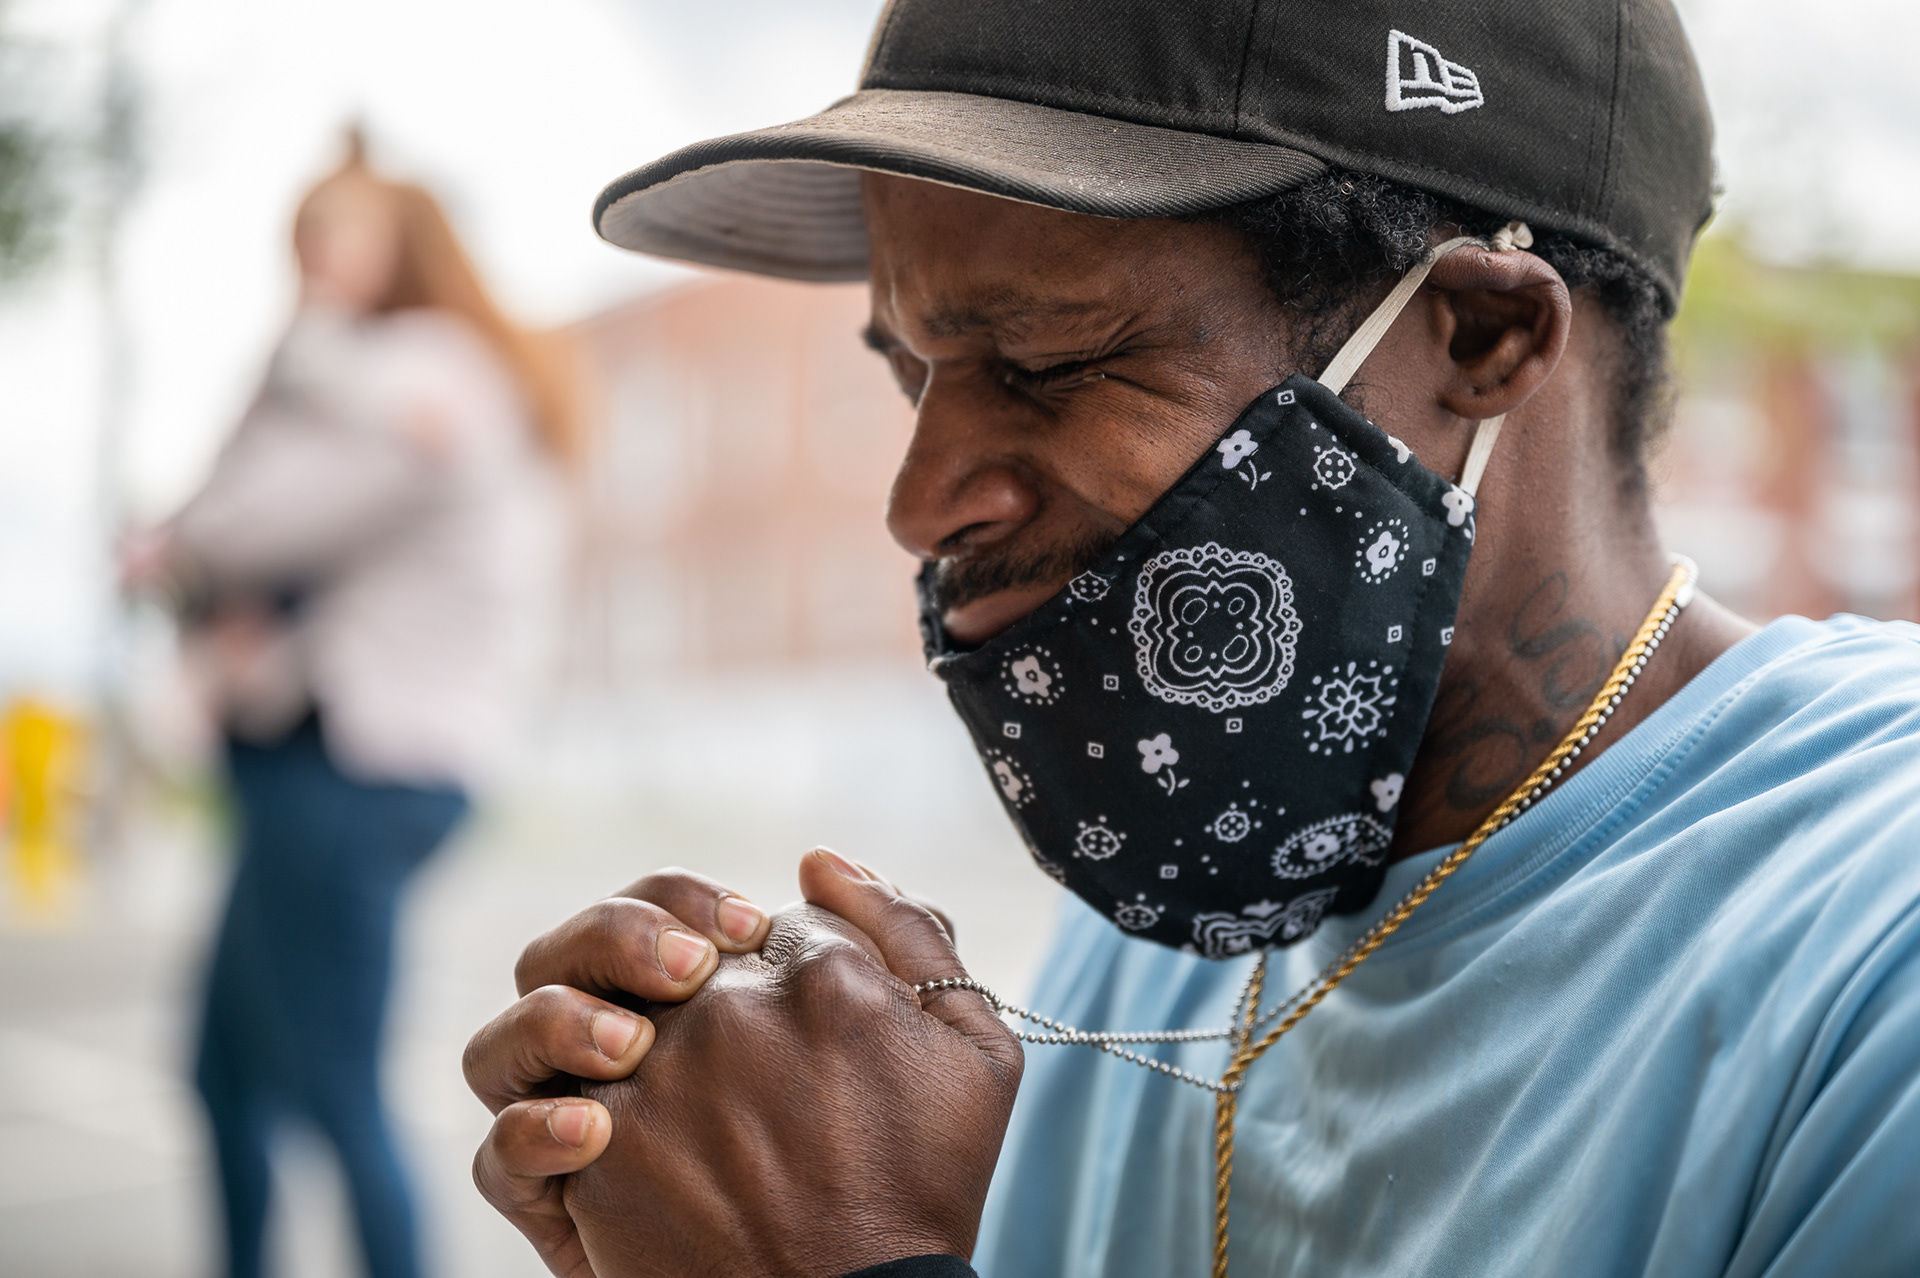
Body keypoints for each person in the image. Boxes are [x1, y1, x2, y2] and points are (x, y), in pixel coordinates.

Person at [462, 2, 1920, 1276]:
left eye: (1042, 363)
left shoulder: (1867, 957)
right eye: (916, 371)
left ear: (1483, 336)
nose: (917, 502)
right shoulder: (1185, 891)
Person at [128, 135, 569, 1278]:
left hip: (356, 768)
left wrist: (179, 548)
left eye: (336, 241)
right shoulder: (425, 371)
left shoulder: (420, 368)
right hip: (334, 764)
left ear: (401, 248)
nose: (313, 268)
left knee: (330, 1084)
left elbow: (239, 525)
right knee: (225, 1072)